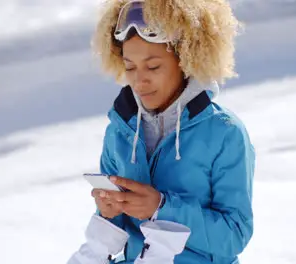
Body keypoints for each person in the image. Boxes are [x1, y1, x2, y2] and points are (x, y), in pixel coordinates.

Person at [70, 0, 255, 263]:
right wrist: (109, 212)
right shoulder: (120, 131)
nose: (139, 80)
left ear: (186, 58)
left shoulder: (224, 132)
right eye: (130, 66)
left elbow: (234, 235)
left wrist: (162, 208)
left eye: (153, 66)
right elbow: (120, 230)